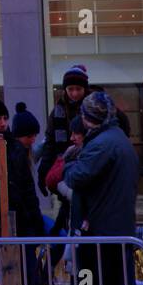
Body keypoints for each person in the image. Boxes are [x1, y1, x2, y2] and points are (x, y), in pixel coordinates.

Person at [61, 92, 141, 285]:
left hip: (97, 238)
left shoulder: (100, 145)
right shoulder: (119, 140)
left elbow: (76, 177)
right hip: (116, 233)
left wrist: (68, 163)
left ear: (87, 118)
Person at [38, 64, 89, 197]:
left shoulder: (93, 109)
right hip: (64, 166)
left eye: (78, 89)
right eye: (70, 89)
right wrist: (43, 172)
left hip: (88, 163)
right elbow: (50, 142)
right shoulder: (57, 112)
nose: (74, 93)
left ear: (85, 88)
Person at [6, 102, 44, 236]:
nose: (33, 140)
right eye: (29, 136)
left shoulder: (21, 152)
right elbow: (28, 192)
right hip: (24, 218)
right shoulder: (19, 154)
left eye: (34, 136)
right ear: (17, 135)